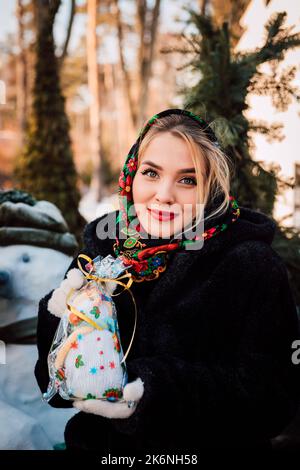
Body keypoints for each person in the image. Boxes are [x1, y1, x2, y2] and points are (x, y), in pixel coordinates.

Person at [35, 108, 300, 452]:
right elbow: (52, 384)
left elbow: (273, 400)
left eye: (187, 180)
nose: (164, 195)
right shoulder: (102, 254)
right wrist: (60, 325)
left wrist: (155, 390)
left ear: (211, 189)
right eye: (151, 173)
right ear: (132, 175)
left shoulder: (249, 263)